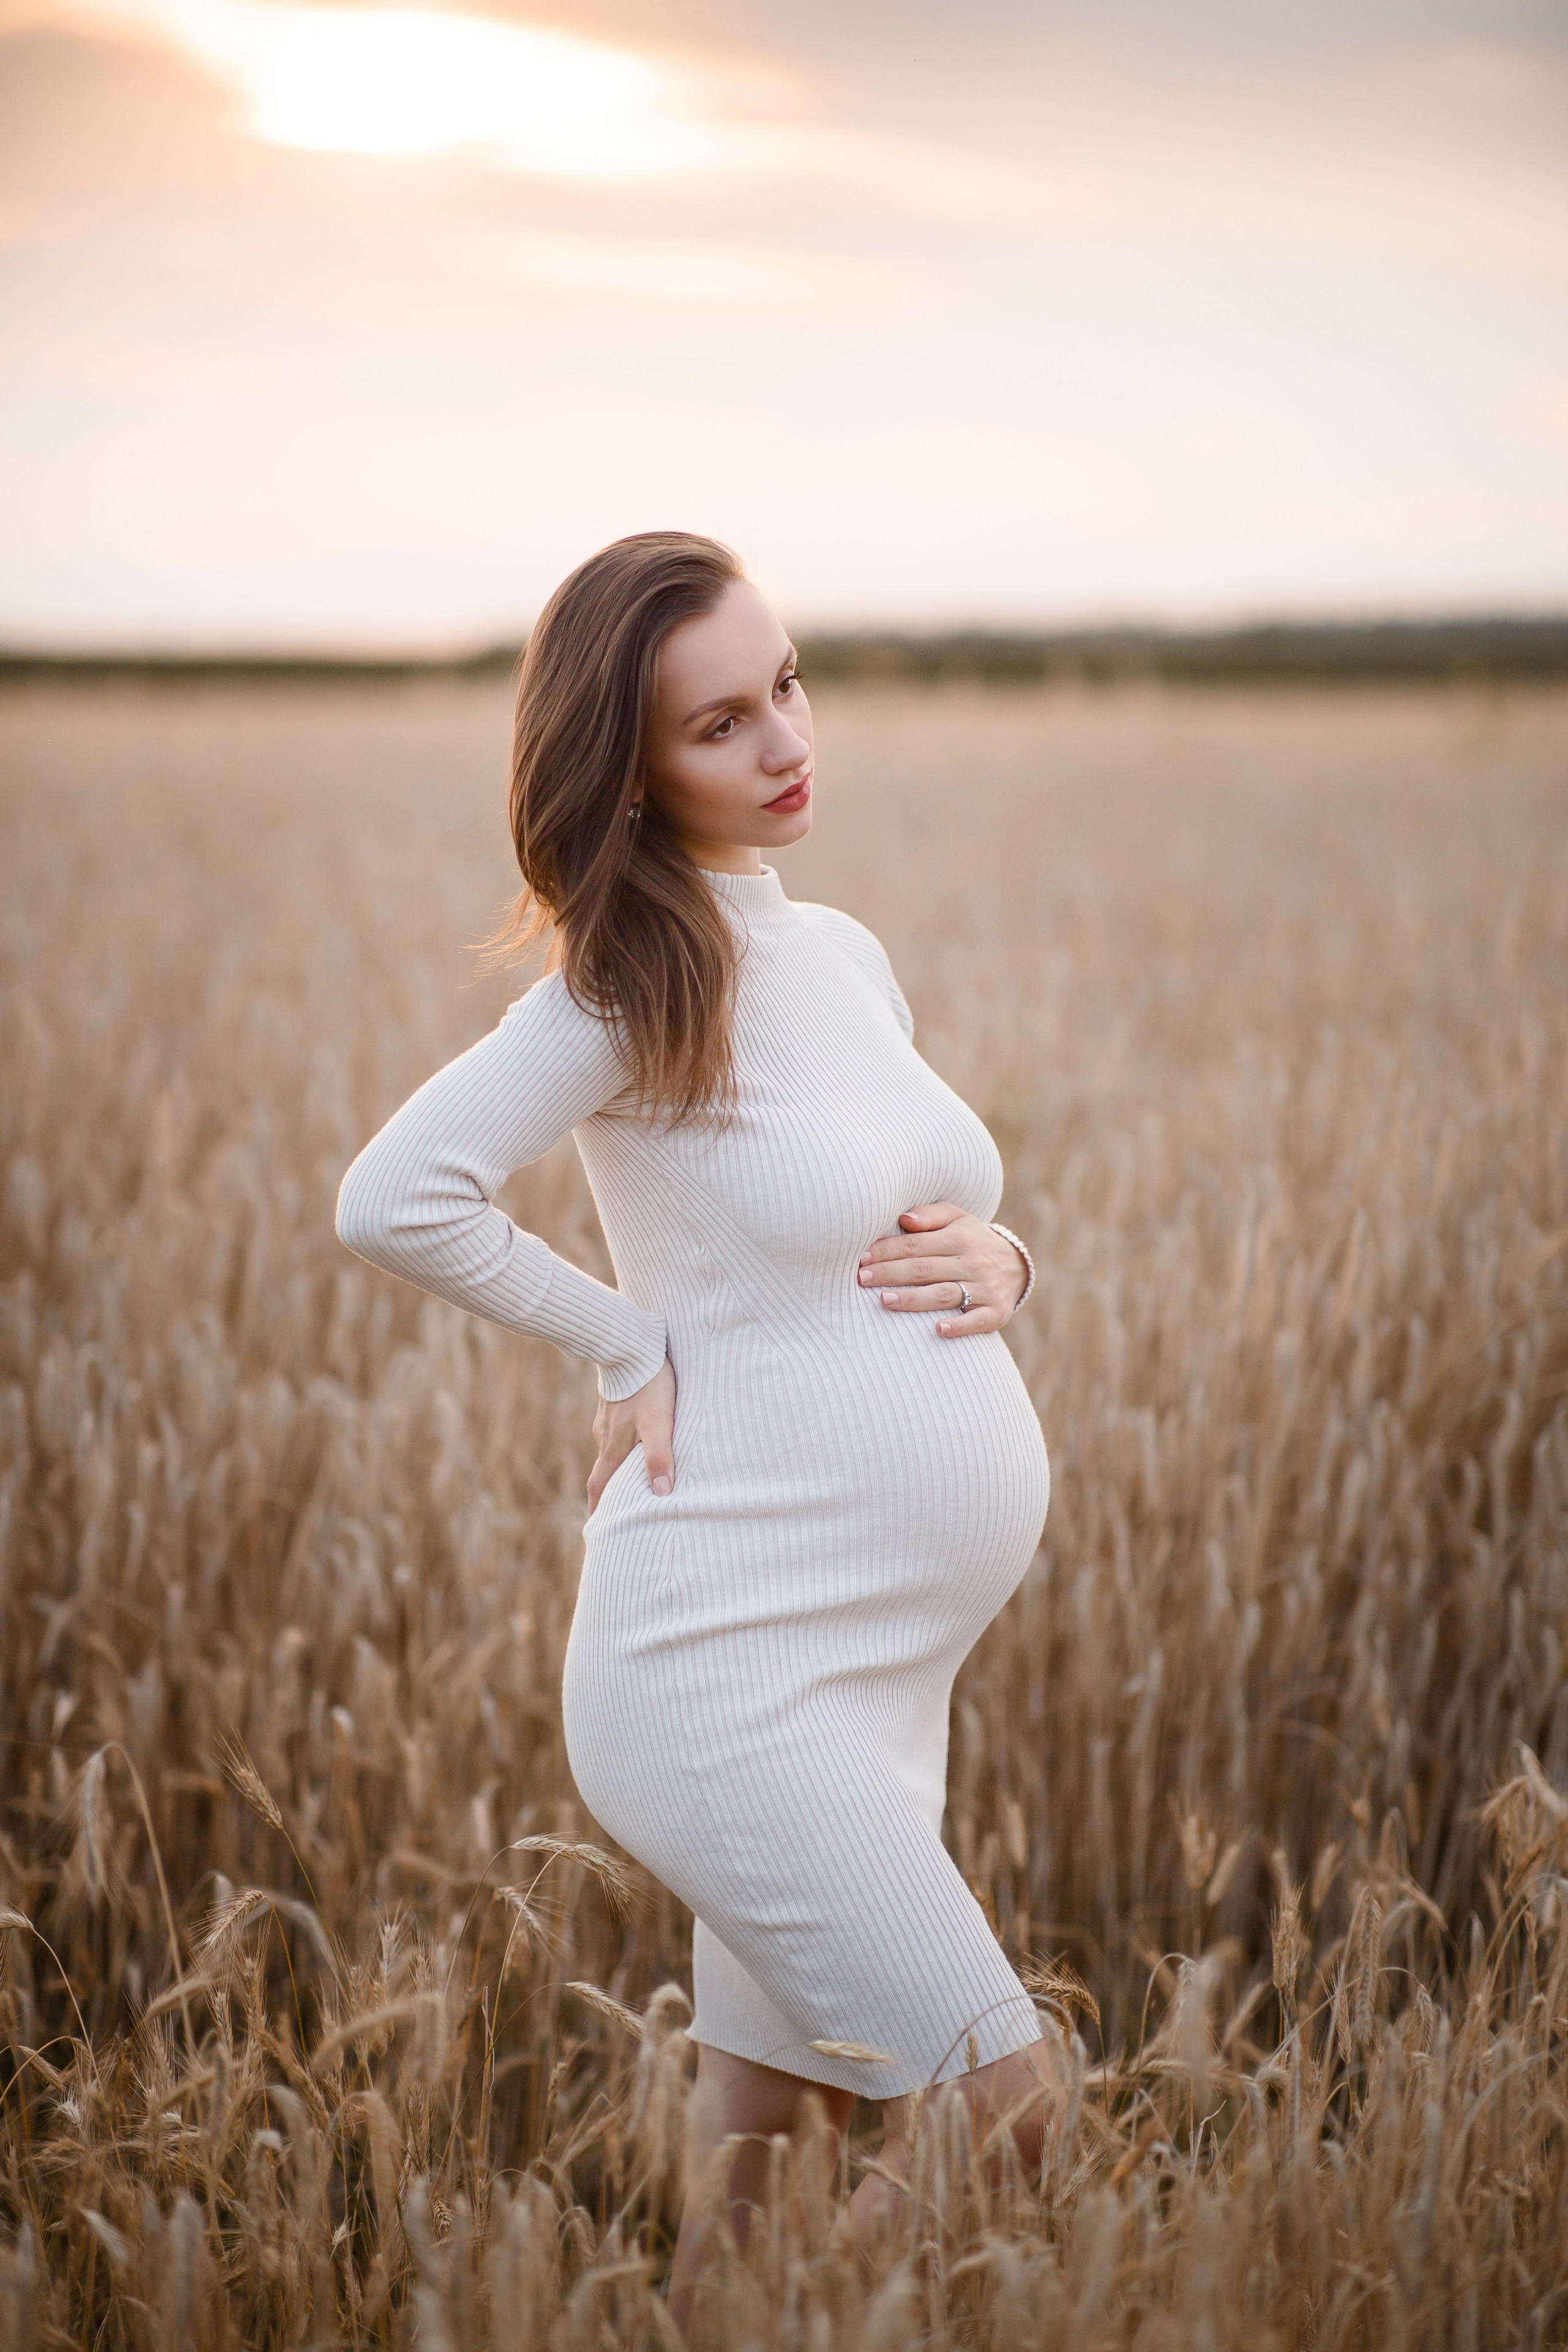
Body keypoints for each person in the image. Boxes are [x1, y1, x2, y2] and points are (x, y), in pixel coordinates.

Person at [334, 530, 1056, 2322]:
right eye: (721, 723)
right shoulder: (622, 981)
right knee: (1013, 2116)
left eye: (788, 686)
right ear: (630, 767)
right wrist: (617, 1339)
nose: (785, 742)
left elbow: (908, 1192)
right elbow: (393, 1193)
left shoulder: (844, 955)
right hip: (723, 1669)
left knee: (768, 2148)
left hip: (883, 1672)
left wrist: (1009, 1259)